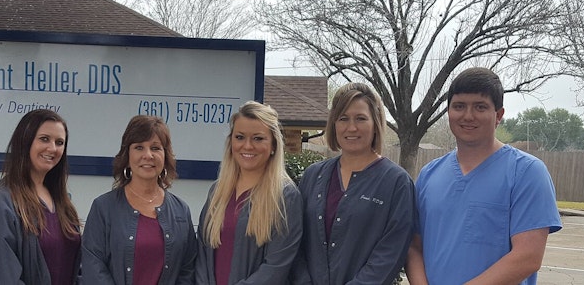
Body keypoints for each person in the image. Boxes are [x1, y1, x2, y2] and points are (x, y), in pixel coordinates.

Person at [405, 67, 562, 285]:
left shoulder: (527, 173)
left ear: (498, 115)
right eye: (459, 106)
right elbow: (414, 246)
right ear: (448, 112)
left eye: (480, 107)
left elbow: (528, 257)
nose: (468, 116)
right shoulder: (429, 175)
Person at [293, 83, 415, 285]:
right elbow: (295, 243)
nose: (351, 127)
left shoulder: (396, 183)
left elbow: (390, 254)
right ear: (334, 124)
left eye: (360, 118)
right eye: (343, 119)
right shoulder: (313, 176)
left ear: (375, 124)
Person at [196, 101, 303, 285]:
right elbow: (202, 253)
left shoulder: (285, 197)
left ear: (274, 146)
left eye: (258, 138)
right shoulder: (217, 191)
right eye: (240, 137)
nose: (247, 146)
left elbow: (276, 268)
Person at [81, 115, 197, 285]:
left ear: (165, 156)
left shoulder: (181, 211)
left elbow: (188, 270)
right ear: (127, 155)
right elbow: (93, 268)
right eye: (139, 147)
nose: (148, 155)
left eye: (156, 148)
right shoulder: (103, 208)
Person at [0, 109, 83, 284]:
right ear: (25, 141)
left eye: (59, 142)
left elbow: (77, 267)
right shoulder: (0, 201)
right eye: (44, 139)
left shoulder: (63, 202)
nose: (52, 148)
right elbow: (2, 277)